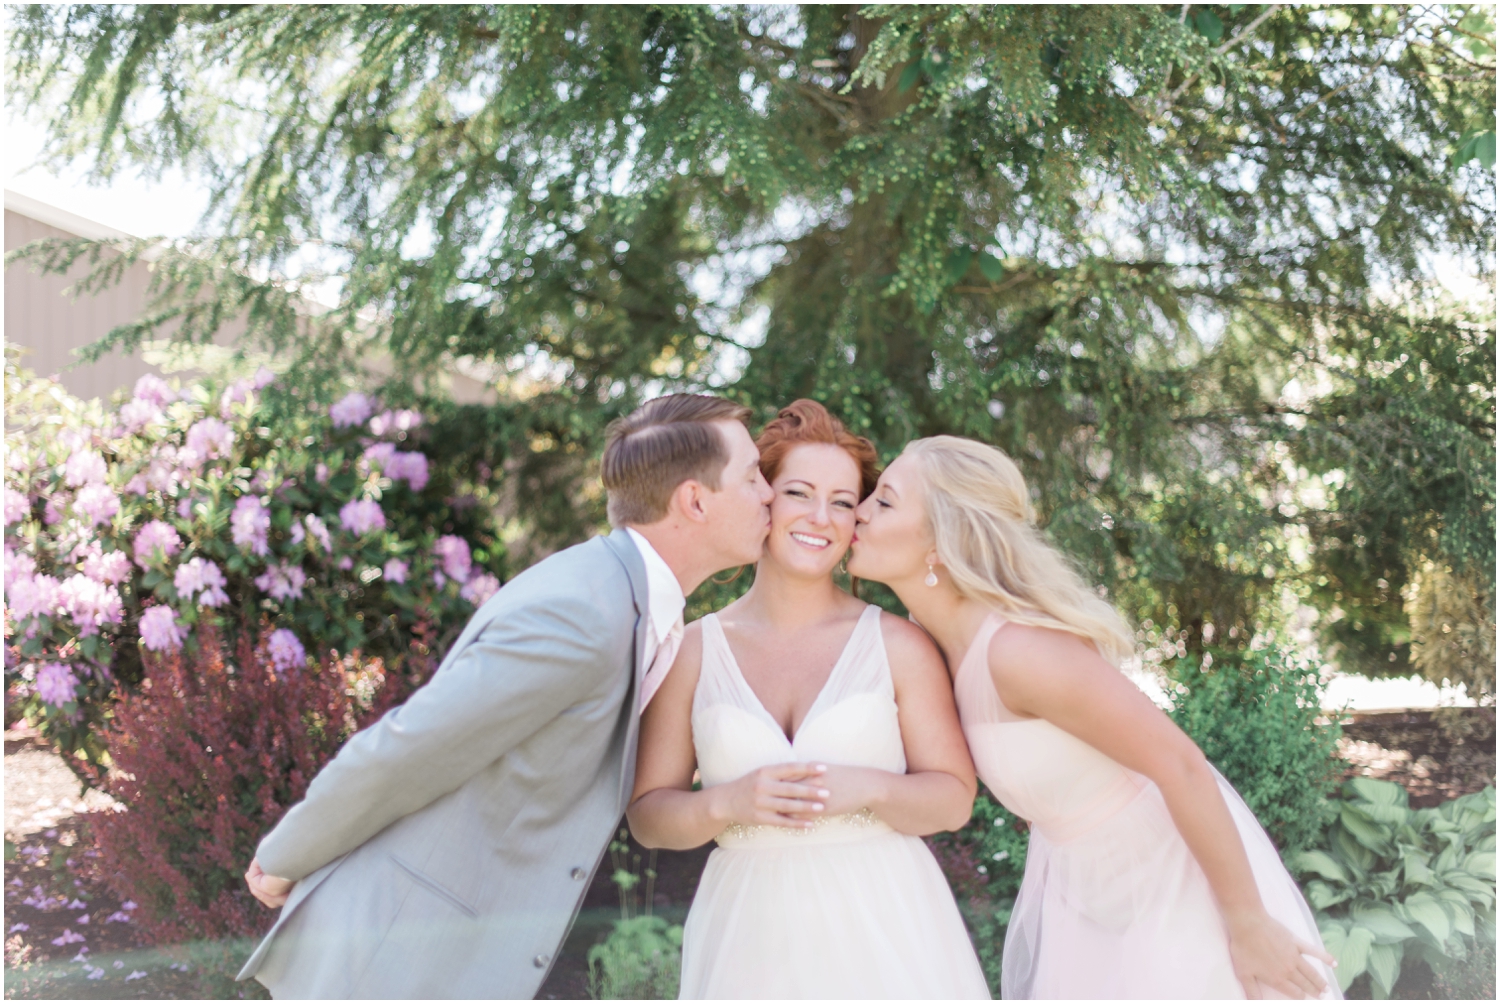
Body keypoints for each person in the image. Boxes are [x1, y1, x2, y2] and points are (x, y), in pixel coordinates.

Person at [235, 394, 774, 999]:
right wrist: (287, 853)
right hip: (392, 960)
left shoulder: (625, 601)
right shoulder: (584, 614)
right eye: (752, 476)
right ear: (694, 501)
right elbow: (415, 747)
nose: (769, 494)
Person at [846, 434, 1340, 1000]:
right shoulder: (929, 644)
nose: (859, 511)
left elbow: (1179, 764)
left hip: (1174, 885)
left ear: (942, 537)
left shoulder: (1019, 652)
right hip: (1086, 897)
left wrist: (1249, 925)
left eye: (883, 501)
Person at [628, 400, 991, 1000]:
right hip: (747, 936)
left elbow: (953, 800)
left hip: (888, 928)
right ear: (763, 498)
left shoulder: (898, 644)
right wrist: (727, 803)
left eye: (844, 502)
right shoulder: (693, 651)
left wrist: (871, 789)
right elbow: (648, 817)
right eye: (799, 493)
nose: (820, 518)